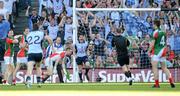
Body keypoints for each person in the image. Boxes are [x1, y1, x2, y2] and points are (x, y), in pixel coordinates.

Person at [148, 20, 175, 88]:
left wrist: (149, 51)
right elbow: (165, 42)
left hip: (157, 52)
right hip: (163, 51)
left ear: (155, 25)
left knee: (155, 68)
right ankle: (171, 82)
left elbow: (152, 44)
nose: (152, 26)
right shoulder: (163, 32)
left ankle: (157, 84)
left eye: (153, 24)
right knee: (165, 68)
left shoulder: (155, 32)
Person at [25, 23, 52, 88]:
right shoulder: (41, 33)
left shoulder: (28, 34)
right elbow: (49, 39)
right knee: (38, 67)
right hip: (39, 53)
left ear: (32, 28)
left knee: (30, 67)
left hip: (31, 53)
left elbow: (25, 45)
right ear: (38, 28)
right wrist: (51, 44)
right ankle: (39, 82)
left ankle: (28, 81)